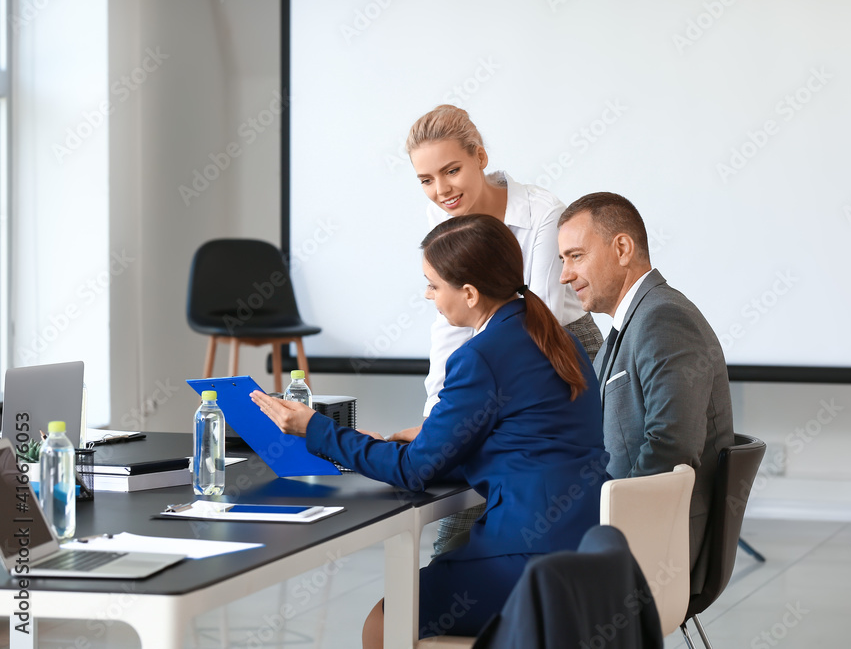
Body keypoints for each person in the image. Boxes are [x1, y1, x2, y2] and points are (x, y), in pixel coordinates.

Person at [251, 214, 607, 646]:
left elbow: (413, 472)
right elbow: (529, 441)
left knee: (383, 623)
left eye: (434, 285)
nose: (427, 295)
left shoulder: (481, 356)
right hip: (589, 548)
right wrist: (437, 440)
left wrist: (315, 428)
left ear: (470, 294)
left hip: (529, 557)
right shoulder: (556, 337)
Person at [399, 104, 604, 553]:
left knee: (515, 480)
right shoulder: (442, 219)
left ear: (481, 157)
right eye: (426, 180)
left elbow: (539, 318)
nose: (441, 190)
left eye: (451, 171)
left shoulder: (543, 213)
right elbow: (449, 328)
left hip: (558, 349)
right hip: (492, 354)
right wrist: (437, 419)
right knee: (469, 488)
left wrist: (458, 427)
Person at [556, 192, 734, 595]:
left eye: (575, 256)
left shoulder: (663, 318)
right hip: (620, 529)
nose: (565, 275)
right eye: (563, 260)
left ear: (621, 248)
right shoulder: (631, 324)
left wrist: (604, 528)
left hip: (654, 546)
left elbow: (671, 447)